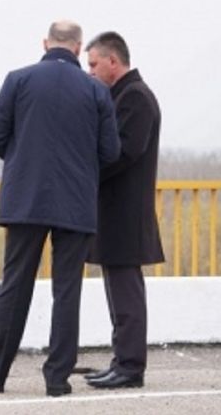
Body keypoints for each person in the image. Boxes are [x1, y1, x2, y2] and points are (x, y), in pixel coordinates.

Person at [0, 20, 121, 397]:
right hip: (75, 201)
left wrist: (23, 158)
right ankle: (57, 379)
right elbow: (110, 151)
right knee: (67, 291)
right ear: (78, 48)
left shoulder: (18, 80)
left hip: (25, 197)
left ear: (45, 43)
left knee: (14, 286)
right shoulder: (95, 90)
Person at [83, 31, 164, 389]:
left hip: (125, 215)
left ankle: (130, 367)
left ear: (112, 61)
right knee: (118, 292)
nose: (90, 72)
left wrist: (84, 170)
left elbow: (123, 152)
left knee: (126, 294)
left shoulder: (136, 98)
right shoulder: (124, 96)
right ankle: (122, 361)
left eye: (93, 64)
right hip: (116, 214)